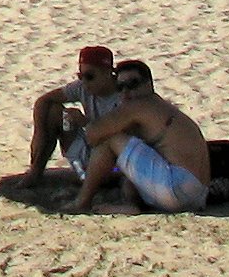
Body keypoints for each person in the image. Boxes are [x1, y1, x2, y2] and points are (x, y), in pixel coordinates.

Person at [73, 61, 213, 214]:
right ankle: (131, 205)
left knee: (111, 139)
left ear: (149, 84)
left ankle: (82, 202)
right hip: (198, 196)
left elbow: (93, 134)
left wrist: (82, 120)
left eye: (133, 84)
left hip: (176, 187)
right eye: (120, 87)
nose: (126, 92)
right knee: (130, 158)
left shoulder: (139, 106)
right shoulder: (160, 106)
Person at [15, 45, 123, 191]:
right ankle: (36, 171)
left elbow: (116, 139)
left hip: (114, 160)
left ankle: (86, 178)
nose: (85, 82)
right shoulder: (82, 87)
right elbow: (43, 101)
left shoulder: (124, 96)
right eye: (81, 76)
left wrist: (84, 122)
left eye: (90, 76)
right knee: (53, 112)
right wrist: (40, 134)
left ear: (108, 72)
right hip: (89, 148)